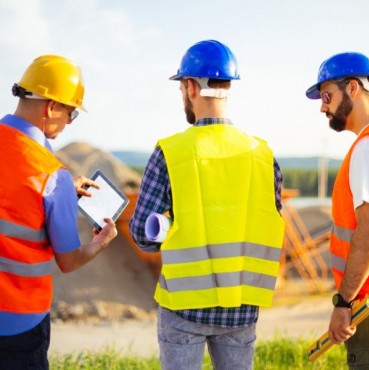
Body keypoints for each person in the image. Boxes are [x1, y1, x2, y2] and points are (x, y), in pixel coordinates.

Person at [130, 40, 285, 370]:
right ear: (228, 87)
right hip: (242, 307)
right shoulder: (262, 154)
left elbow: (143, 236)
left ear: (189, 87)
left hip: (184, 308)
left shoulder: (170, 151)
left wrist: (172, 223)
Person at [0, 55, 118, 369]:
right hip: (18, 325)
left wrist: (63, 190)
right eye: (71, 112)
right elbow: (69, 260)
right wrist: (100, 242)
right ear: (51, 107)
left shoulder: (54, 180)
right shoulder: (51, 175)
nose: (69, 122)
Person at [306, 52, 369, 369]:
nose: (322, 106)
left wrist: (343, 302)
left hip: (365, 306)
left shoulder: (366, 148)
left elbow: (367, 234)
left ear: (354, 89)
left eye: (327, 95)